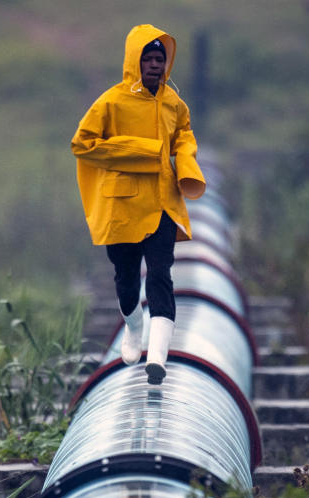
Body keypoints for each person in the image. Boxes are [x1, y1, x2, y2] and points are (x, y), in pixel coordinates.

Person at [71, 23, 206, 385]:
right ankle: (133, 330)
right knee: (126, 278)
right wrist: (141, 153)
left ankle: (158, 357)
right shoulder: (111, 101)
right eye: (147, 58)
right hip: (123, 204)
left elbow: (185, 137)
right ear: (134, 61)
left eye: (160, 58)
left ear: (167, 64)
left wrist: (186, 161)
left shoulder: (175, 104)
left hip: (162, 203)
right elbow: (82, 144)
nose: (154, 64)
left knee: (161, 275)